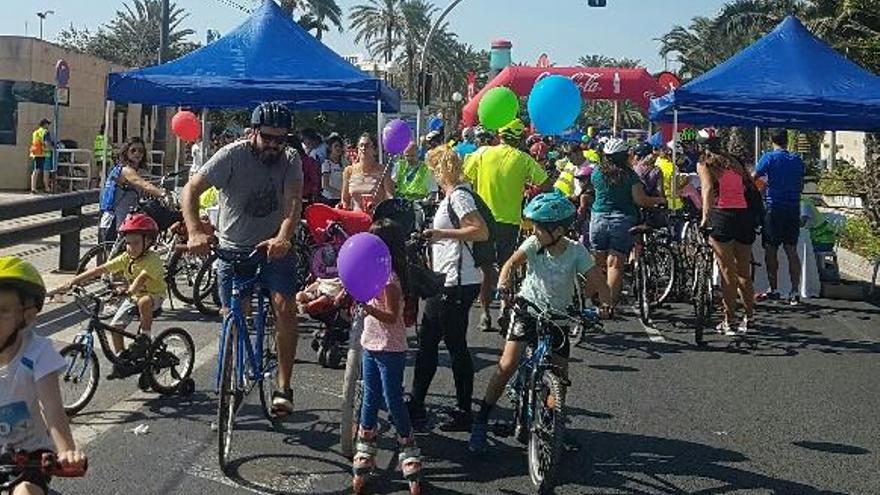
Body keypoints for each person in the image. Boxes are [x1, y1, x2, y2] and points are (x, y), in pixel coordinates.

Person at [182, 101, 304, 416]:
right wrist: (194, 231)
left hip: (272, 249)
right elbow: (191, 190)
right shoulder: (231, 156)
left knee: (285, 309)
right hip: (233, 250)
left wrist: (283, 237)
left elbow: (293, 204)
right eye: (268, 137)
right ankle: (231, 381)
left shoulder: (290, 160)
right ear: (252, 132)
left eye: (281, 138)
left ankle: (283, 387)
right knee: (234, 314)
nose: (275, 145)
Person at [468, 193, 610, 452]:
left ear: (558, 231)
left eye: (538, 227)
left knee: (560, 375)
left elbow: (597, 278)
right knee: (508, 364)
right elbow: (511, 264)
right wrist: (503, 284)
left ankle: (553, 424)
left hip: (559, 317)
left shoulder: (576, 251)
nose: (533, 231)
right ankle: (481, 419)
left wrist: (606, 304)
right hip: (528, 310)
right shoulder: (534, 244)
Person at [407, 148, 489, 432]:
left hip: (455, 282)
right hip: (452, 280)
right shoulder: (453, 196)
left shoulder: (459, 196)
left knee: (440, 344)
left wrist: (442, 234)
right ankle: (442, 406)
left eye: (433, 170)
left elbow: (479, 231)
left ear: (440, 170)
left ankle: (447, 409)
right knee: (443, 344)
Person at [0, 257, 87, 494]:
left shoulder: (38, 353)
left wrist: (67, 450)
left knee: (26, 492)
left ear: (26, 316)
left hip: (29, 457)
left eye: (2, 311)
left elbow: (52, 408)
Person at [464, 118, 552, 332]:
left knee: (486, 270)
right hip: (510, 222)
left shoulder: (482, 153)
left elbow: (463, 176)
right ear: (519, 139)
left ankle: (485, 314)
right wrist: (530, 190)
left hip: (483, 220)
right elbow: (547, 184)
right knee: (508, 267)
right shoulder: (523, 159)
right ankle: (505, 307)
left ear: (499, 136)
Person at [53, 213, 167, 376]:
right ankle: (122, 359)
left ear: (148, 242)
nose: (130, 247)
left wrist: (128, 290)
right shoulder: (126, 257)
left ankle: (145, 336)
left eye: (135, 243)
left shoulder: (152, 259)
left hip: (154, 296)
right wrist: (73, 281)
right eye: (127, 243)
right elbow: (100, 269)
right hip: (133, 296)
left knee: (144, 301)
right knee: (115, 327)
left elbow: (142, 279)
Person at [353, 219, 421, 485]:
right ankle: (366, 437)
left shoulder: (390, 279)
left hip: (390, 347)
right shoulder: (374, 273)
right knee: (370, 396)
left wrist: (368, 308)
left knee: (393, 399)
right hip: (370, 343)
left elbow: (392, 316)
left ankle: (407, 442)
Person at [590, 138, 666, 307]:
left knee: (596, 263)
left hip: (598, 219)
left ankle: (588, 303)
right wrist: (658, 200)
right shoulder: (630, 175)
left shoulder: (596, 172)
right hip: (622, 219)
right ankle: (607, 306)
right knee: (615, 265)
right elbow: (640, 200)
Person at [697, 131, 756, 334]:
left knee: (727, 272)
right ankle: (749, 316)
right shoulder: (735, 161)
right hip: (744, 216)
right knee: (744, 273)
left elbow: (707, 190)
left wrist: (705, 217)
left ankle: (728, 320)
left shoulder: (705, 163)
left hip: (723, 216)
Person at [755, 129, 805, 305]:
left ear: (771, 140)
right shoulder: (797, 159)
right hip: (792, 207)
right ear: (787, 140)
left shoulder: (768, 158)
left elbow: (754, 177)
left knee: (771, 249)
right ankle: (794, 291)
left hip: (774, 207)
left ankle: (774, 288)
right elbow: (800, 183)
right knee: (791, 249)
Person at [98, 137, 168, 243]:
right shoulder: (125, 170)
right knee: (114, 257)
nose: (137, 153)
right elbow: (142, 183)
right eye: (133, 150)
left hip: (126, 221)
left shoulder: (136, 171)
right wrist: (163, 194)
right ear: (126, 152)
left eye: (141, 151)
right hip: (114, 221)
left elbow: (145, 188)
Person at [340, 133, 394, 213]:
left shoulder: (383, 171)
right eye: (361, 145)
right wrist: (342, 207)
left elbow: (390, 197)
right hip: (355, 218)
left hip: (376, 219)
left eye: (367, 145)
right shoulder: (349, 171)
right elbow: (345, 200)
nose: (363, 148)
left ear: (375, 150)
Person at [320, 134, 346, 205]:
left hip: (341, 199)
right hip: (329, 200)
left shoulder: (344, 164)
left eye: (340, 146)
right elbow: (325, 185)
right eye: (336, 146)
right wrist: (341, 193)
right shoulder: (326, 164)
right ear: (330, 148)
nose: (338, 148)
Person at [29, 119, 54, 194]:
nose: (48, 126)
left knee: (36, 170)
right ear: (45, 124)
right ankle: (46, 188)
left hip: (36, 153)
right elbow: (47, 143)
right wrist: (51, 148)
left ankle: (33, 188)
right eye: (48, 124)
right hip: (44, 153)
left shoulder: (35, 132)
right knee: (46, 171)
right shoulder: (45, 132)